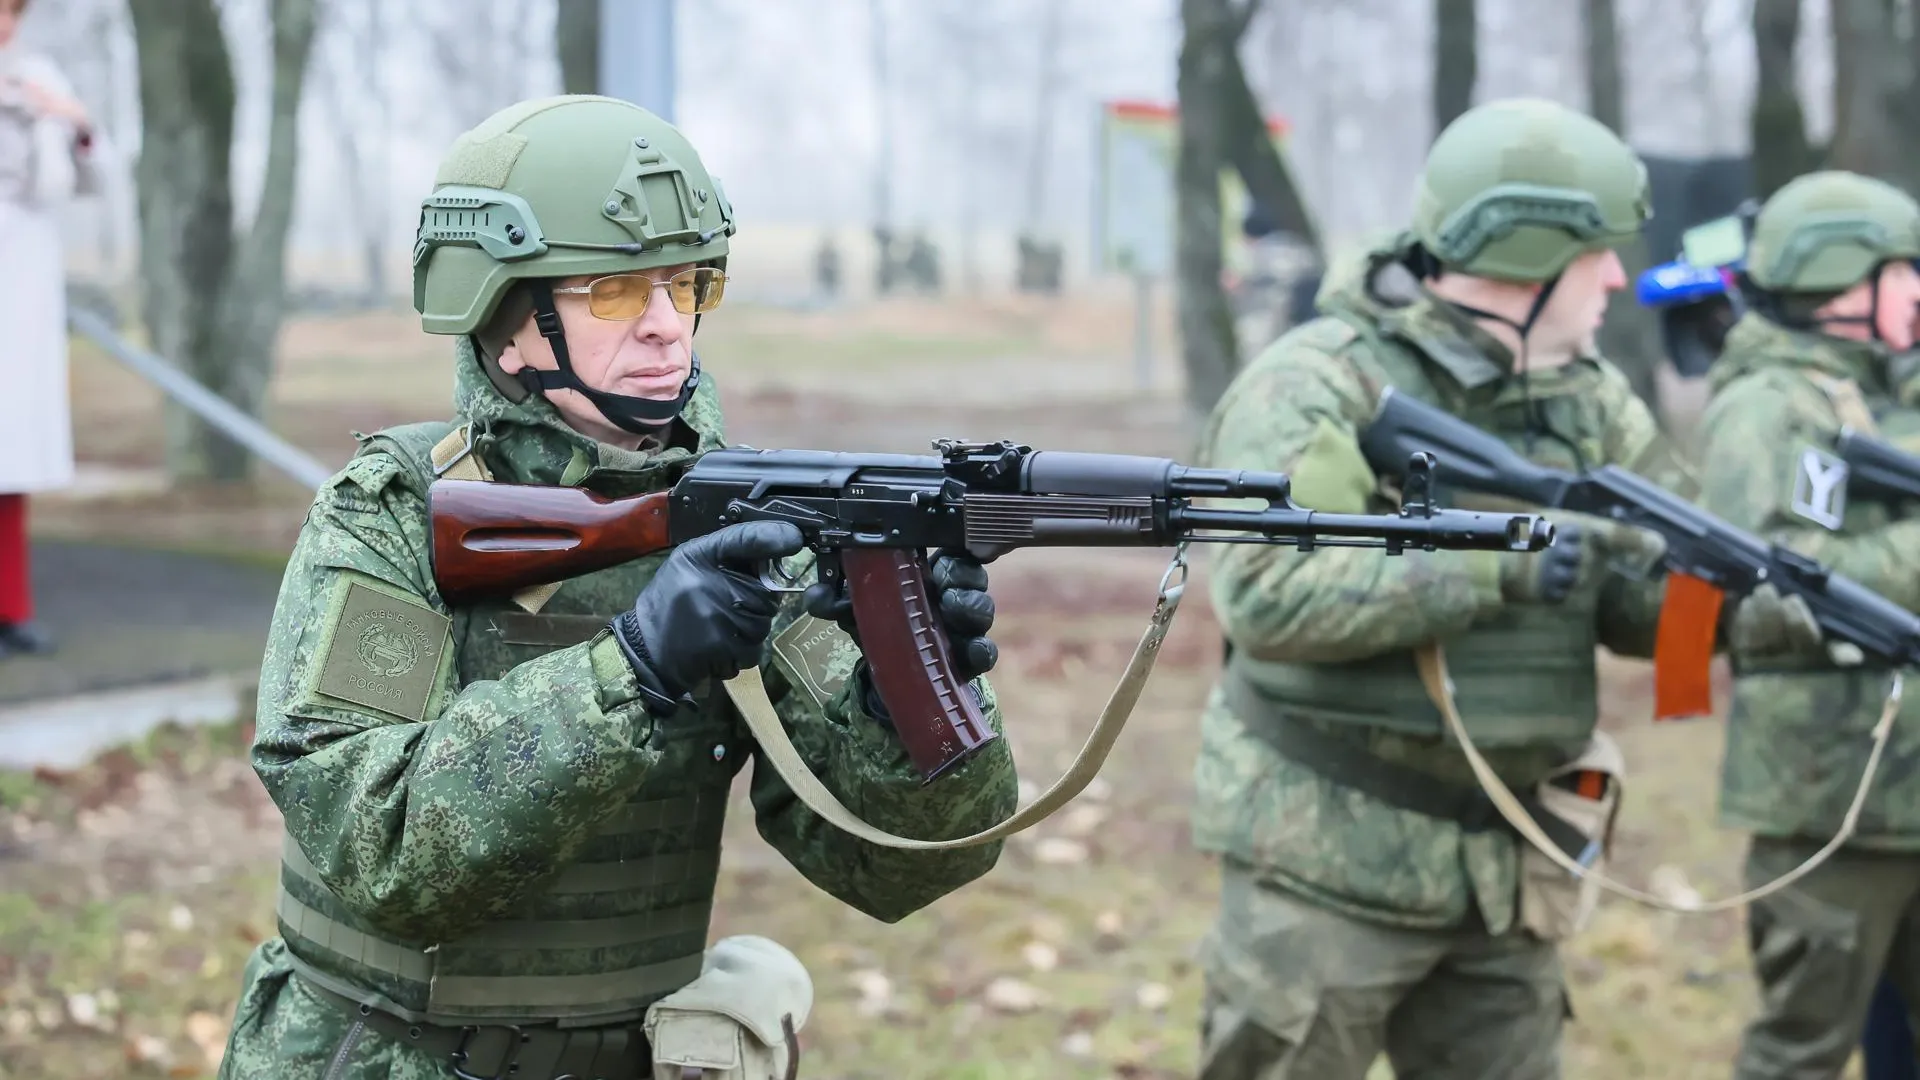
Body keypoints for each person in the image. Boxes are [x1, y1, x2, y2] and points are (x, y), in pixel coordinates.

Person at [215, 94, 1020, 1079]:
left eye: (684, 287)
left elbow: (896, 868)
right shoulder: (389, 519)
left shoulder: (753, 527)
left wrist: (907, 697)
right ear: (504, 321)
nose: (664, 329)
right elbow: (376, 845)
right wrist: (631, 670)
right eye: (612, 293)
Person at [1186, 97, 1801, 1079]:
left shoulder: (1588, 395)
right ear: (1524, 255)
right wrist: (1490, 567)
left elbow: (1644, 611)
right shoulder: (1318, 384)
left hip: (1508, 870)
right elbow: (1266, 592)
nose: (1616, 277)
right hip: (1324, 865)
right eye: (1597, 253)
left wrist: (1755, 610)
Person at [1695, 169, 1920, 1080]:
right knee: (1804, 1051)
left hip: (1903, 786)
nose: (1919, 291)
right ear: (1844, 284)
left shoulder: (1879, 397)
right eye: (1905, 271)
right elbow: (1765, 589)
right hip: (1834, 801)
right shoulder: (1765, 411)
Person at [0, 0, 98, 659]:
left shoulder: (38, 77)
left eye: (12, 13)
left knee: (12, 447)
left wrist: (74, 125)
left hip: (21, 269)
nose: (5, 25)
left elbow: (87, 174)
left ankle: (12, 607)